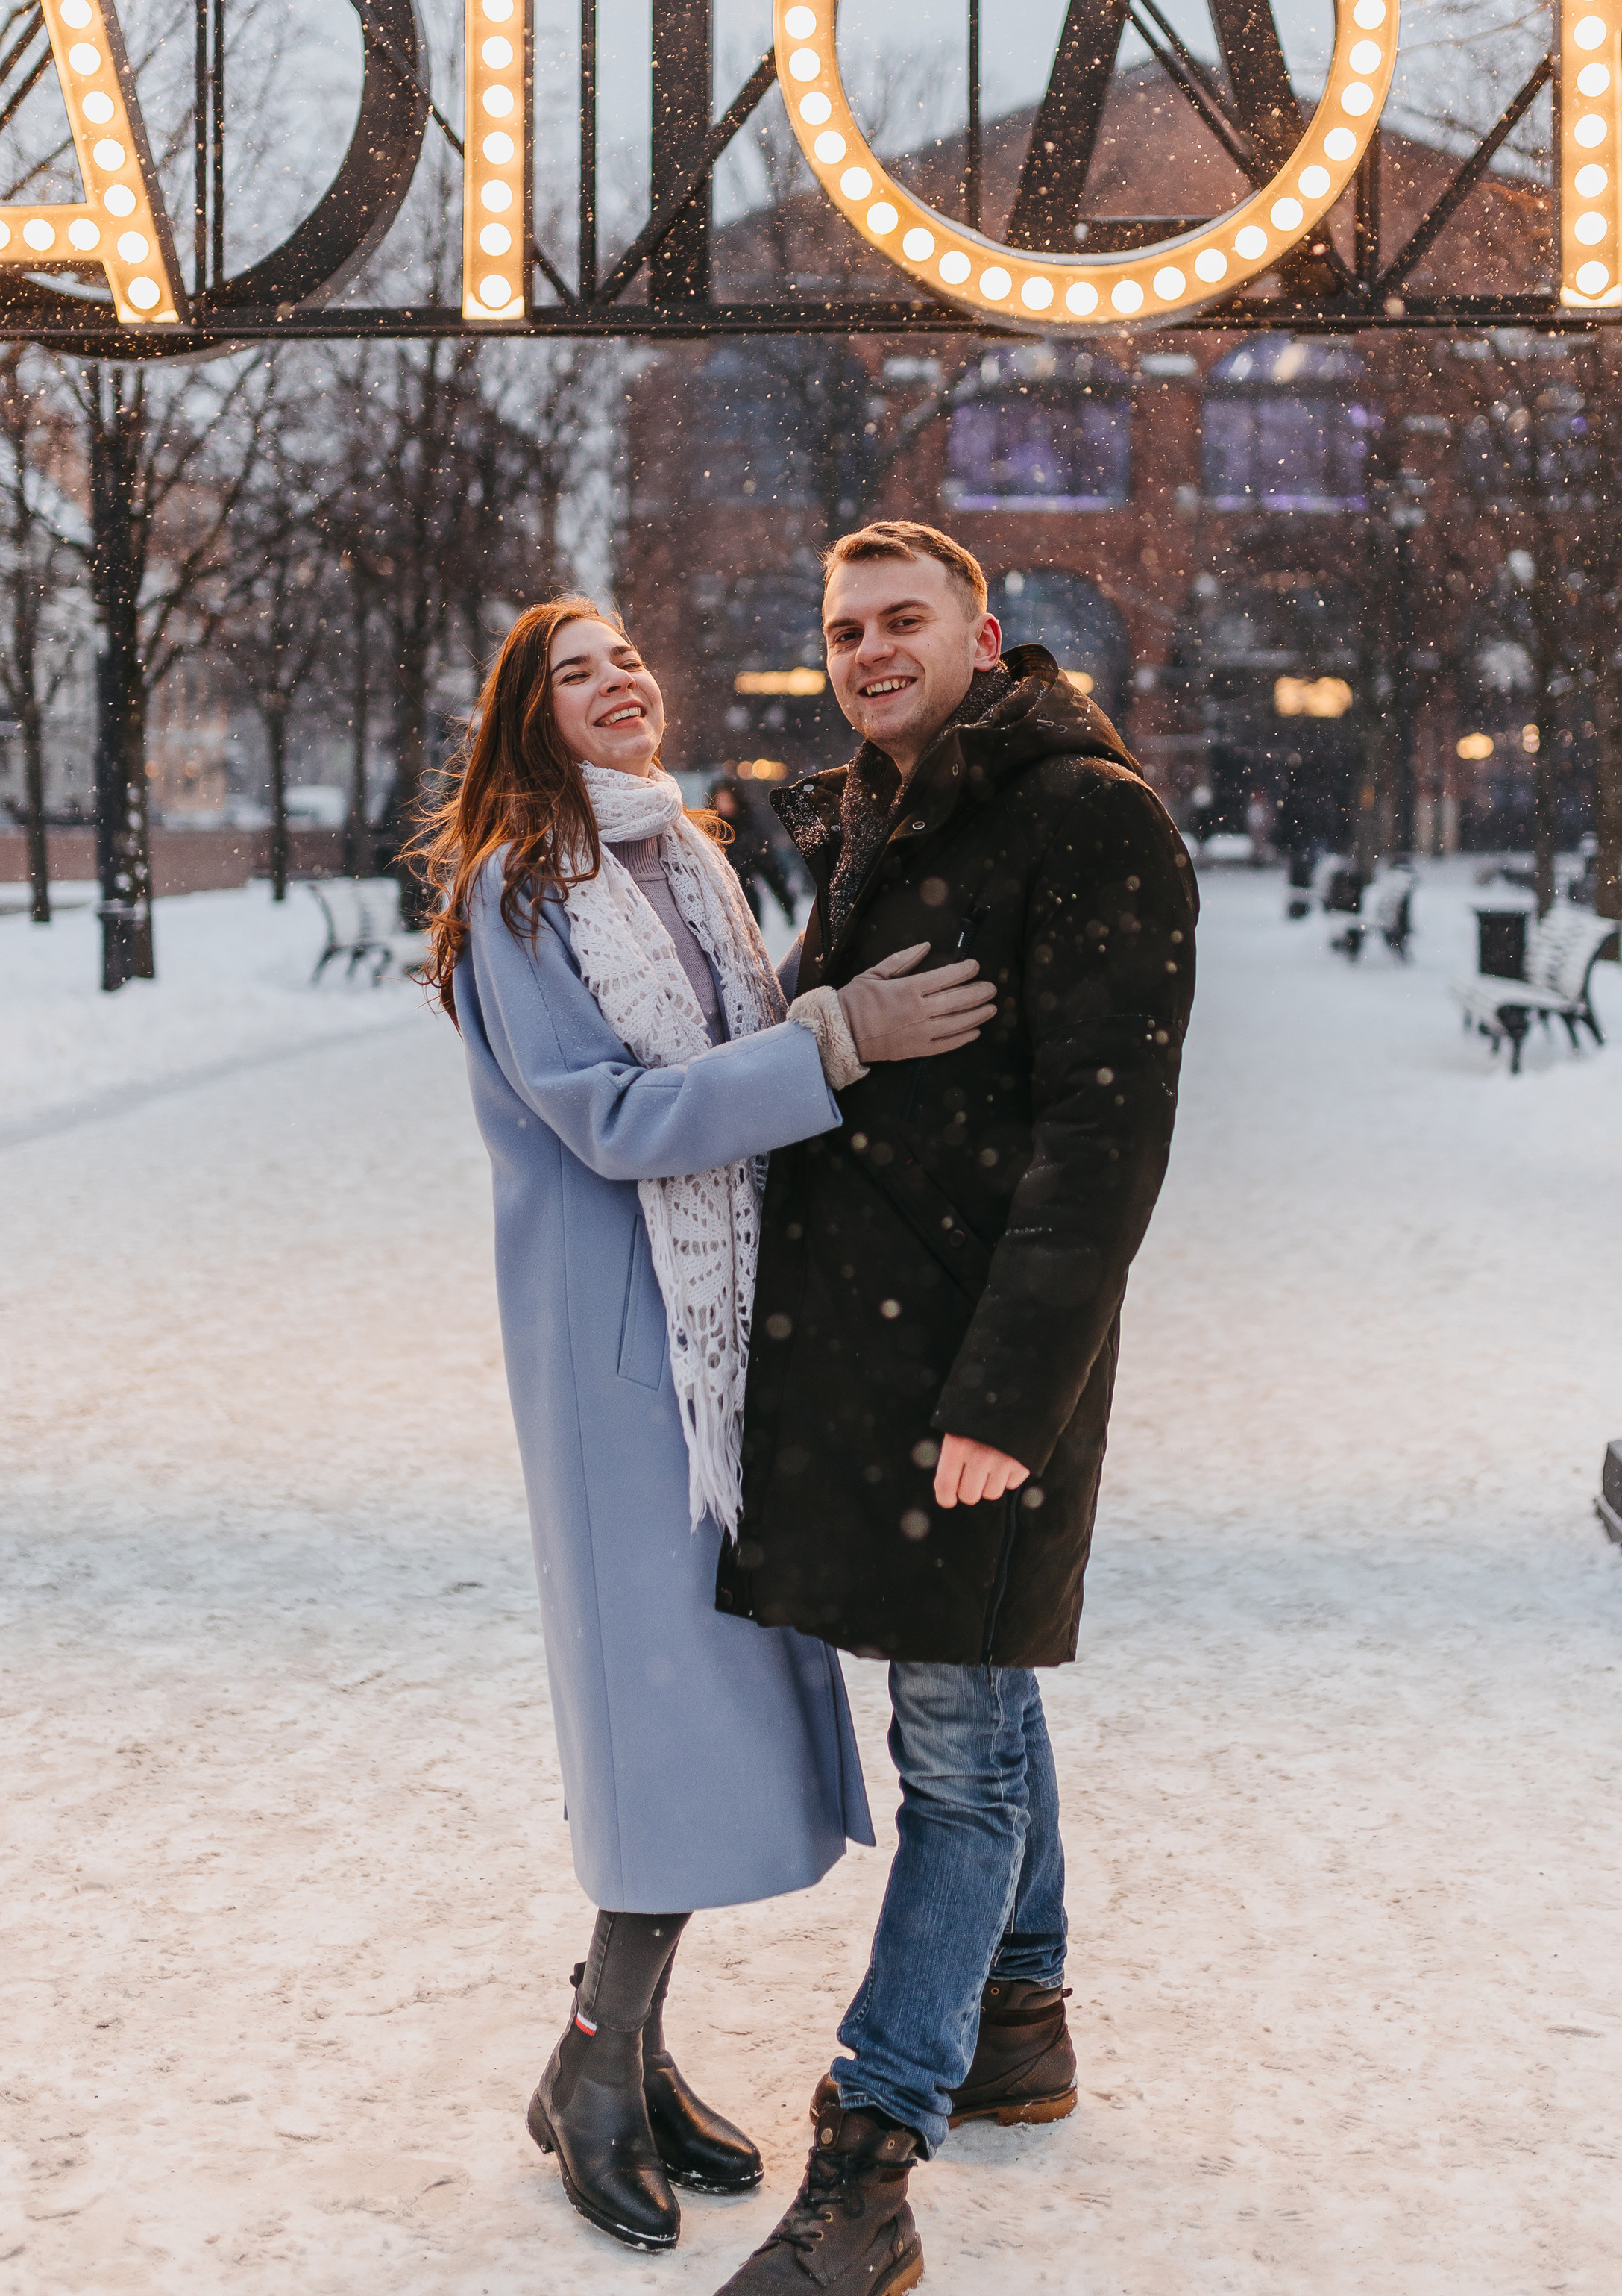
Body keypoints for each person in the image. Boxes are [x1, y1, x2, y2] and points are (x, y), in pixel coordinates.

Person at [412, 595, 996, 2258]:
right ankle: (596, 2066)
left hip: (720, 1338)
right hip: (619, 1357)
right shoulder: (520, 889)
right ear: (528, 716)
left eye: (625, 659)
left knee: (698, 1701)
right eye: (574, 672)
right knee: (655, 1713)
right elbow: (608, 1119)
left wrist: (829, 1004)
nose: (618, 682)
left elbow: (735, 1039)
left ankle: (621, 2058)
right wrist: (833, 1044)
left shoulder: (687, 853)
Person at [711, 523, 1198, 2296]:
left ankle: (870, 2154)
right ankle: (1018, 2016)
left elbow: (1101, 1141)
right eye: (843, 627)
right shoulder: (881, 812)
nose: (866, 650)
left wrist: (1009, 1398)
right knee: (973, 1684)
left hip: (974, 1372)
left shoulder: (1085, 817)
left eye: (900, 620)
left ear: (982, 638)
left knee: (954, 1751)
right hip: (875, 1359)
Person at [711, 773, 802, 926]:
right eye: (720, 800)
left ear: (736, 800)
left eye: (728, 799)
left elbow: (771, 870)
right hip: (715, 904)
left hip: (745, 903)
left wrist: (787, 905)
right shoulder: (709, 831)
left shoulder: (749, 831)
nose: (724, 805)